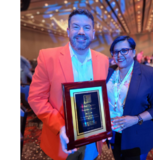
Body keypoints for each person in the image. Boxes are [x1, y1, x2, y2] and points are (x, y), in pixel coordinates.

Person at [28, 9, 109, 160]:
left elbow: (102, 98)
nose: (81, 32)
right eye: (76, 26)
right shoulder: (48, 57)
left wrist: (104, 124)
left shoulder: (103, 60)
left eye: (86, 27)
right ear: (68, 31)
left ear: (93, 33)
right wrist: (60, 127)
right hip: (61, 139)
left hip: (93, 139)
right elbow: (36, 98)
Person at [106, 36, 153, 160]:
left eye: (124, 50)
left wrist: (136, 119)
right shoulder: (109, 72)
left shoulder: (149, 74)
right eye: (115, 52)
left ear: (133, 52)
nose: (119, 55)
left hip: (136, 135)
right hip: (113, 134)